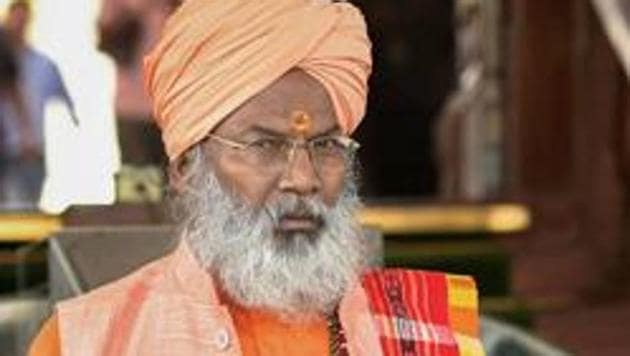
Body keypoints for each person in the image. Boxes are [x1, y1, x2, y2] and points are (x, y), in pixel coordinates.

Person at [29, 1, 484, 355]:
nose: (303, 179)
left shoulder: (426, 331)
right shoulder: (85, 341)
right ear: (187, 169)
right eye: (264, 146)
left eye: (326, 145)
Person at [0, 0, 74, 206]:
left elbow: (69, 111)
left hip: (24, 152)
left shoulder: (42, 64)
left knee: (21, 209)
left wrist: (28, 136)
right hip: (10, 150)